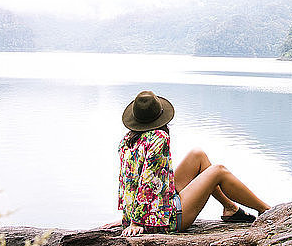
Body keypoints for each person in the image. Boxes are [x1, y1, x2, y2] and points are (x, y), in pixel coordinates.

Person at [101, 90, 271, 236]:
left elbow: (127, 183)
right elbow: (145, 181)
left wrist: (128, 217)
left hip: (157, 204)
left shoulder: (127, 141)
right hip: (165, 219)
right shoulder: (160, 138)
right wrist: (136, 222)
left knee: (198, 154)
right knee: (218, 170)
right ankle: (266, 210)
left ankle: (230, 208)